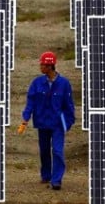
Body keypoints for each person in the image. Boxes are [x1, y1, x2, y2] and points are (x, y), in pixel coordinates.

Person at [19, 51, 76, 190]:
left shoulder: (64, 84)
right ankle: (46, 175)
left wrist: (68, 122)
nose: (40, 66)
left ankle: (56, 180)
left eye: (43, 64)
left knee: (57, 151)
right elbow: (31, 102)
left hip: (57, 124)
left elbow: (69, 105)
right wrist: (25, 119)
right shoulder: (37, 83)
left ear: (50, 66)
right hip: (42, 122)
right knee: (44, 150)